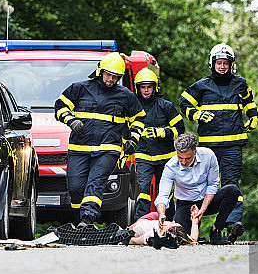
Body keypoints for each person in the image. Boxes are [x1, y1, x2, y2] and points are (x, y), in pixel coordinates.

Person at [54, 52, 145, 227]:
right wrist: (71, 120)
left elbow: (138, 118)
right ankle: (79, 219)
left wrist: (133, 138)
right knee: (75, 188)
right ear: (100, 71)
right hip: (79, 148)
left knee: (95, 182)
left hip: (108, 149)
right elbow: (60, 106)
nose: (111, 79)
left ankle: (88, 217)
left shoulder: (125, 95)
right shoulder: (79, 88)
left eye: (116, 77)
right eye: (109, 74)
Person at [179, 43, 258, 243]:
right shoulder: (202, 85)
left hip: (233, 144)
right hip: (209, 147)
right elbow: (184, 103)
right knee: (202, 184)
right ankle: (188, 224)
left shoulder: (240, 83)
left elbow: (249, 100)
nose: (222, 67)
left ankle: (231, 224)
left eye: (225, 63)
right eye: (219, 63)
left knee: (232, 184)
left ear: (231, 65)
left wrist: (253, 115)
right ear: (212, 63)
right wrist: (196, 115)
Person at [154, 132, 241, 245]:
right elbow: (163, 195)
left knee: (233, 190)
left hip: (207, 201)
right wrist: (161, 214)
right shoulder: (170, 167)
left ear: (195, 152)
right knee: (181, 238)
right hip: (185, 204)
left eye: (188, 158)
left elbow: (213, 184)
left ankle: (216, 229)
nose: (184, 162)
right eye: (180, 158)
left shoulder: (208, 156)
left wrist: (202, 209)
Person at [132, 68, 184, 222]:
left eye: (149, 86)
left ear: (155, 87)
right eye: (143, 87)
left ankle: (170, 224)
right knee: (143, 190)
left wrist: (162, 132)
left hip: (165, 158)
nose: (146, 90)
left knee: (166, 192)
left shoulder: (165, 106)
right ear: (138, 88)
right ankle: (140, 224)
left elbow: (180, 128)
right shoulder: (133, 107)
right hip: (143, 156)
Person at [128, 211, 196, 247]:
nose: (173, 221)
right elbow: (193, 239)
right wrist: (194, 219)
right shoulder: (180, 235)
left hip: (139, 225)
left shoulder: (152, 235)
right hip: (154, 218)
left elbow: (133, 241)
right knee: (157, 214)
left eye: (172, 223)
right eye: (173, 222)